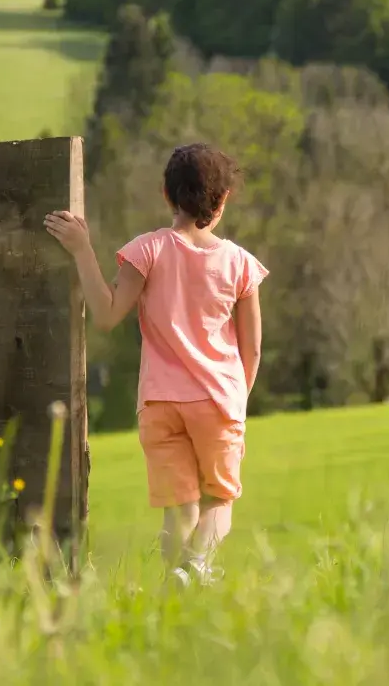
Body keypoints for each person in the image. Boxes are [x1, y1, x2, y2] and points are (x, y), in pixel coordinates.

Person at [44, 143, 267, 586]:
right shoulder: (240, 264)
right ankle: (194, 570)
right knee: (219, 502)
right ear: (222, 201)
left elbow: (106, 315)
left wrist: (82, 250)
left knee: (178, 511)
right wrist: (238, 400)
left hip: (160, 404)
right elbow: (253, 348)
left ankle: (179, 589)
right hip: (220, 400)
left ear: (166, 194)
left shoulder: (146, 251)